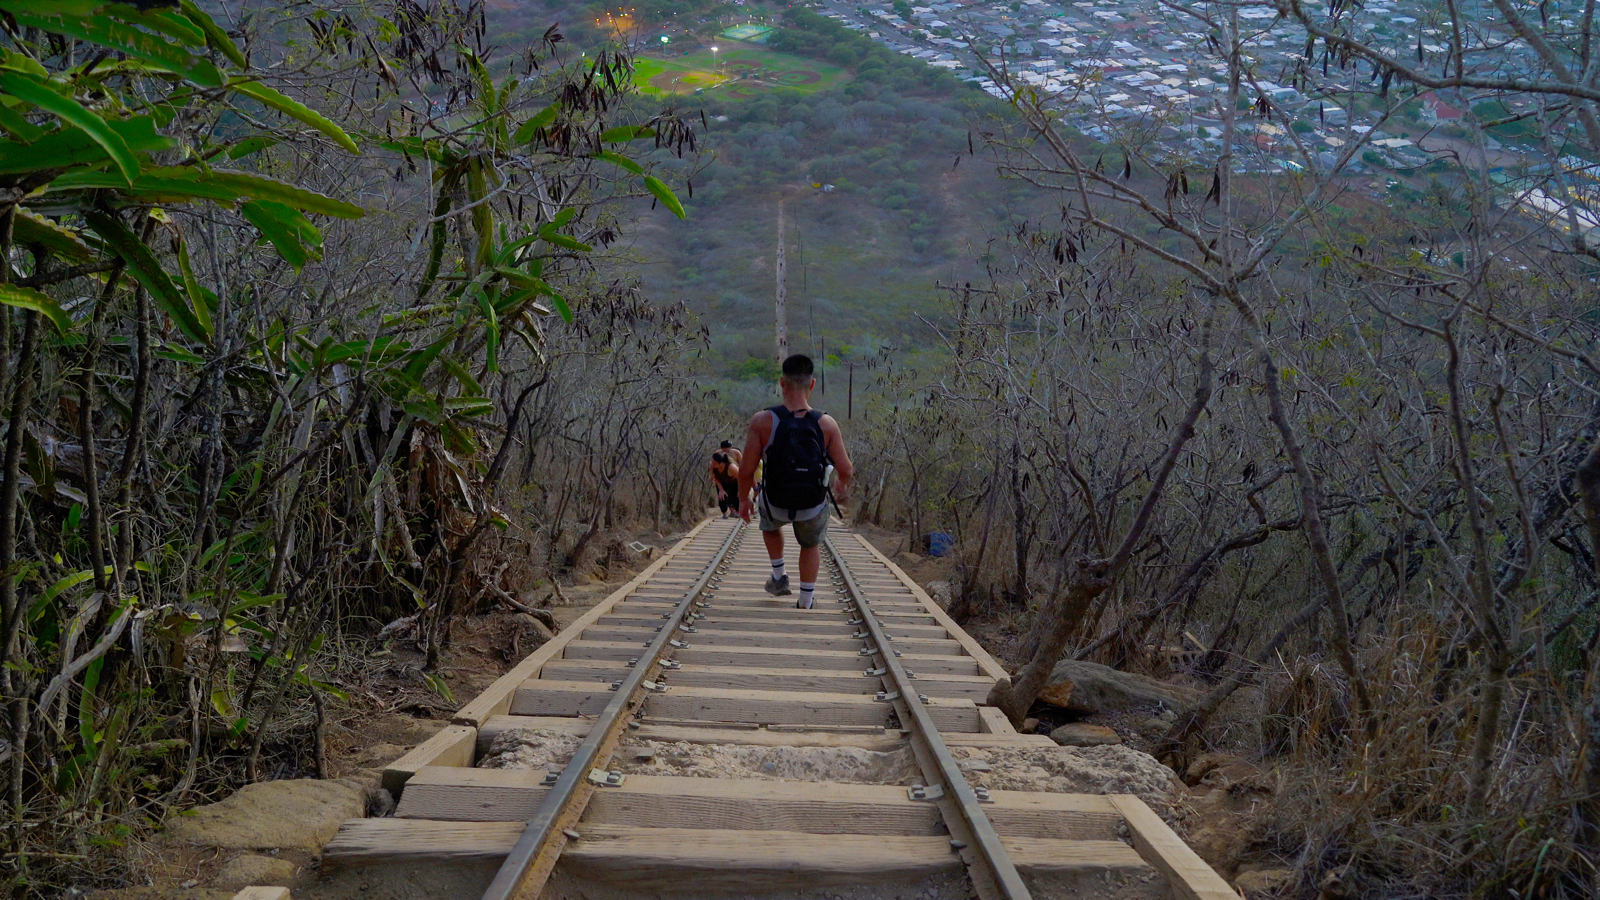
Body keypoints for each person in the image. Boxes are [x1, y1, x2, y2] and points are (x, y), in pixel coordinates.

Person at [737, 354, 854, 609]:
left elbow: (745, 471)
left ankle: (779, 577)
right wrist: (840, 486)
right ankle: (806, 600)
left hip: (774, 502)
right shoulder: (826, 423)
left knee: (769, 525)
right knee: (810, 543)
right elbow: (846, 469)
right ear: (811, 385)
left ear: (782, 383)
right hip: (812, 504)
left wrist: (743, 499)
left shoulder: (762, 421)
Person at [708, 451, 741, 518]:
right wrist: (721, 489)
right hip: (721, 482)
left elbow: (740, 478)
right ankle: (724, 513)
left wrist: (740, 490)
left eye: (715, 463)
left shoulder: (732, 467)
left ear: (721, 463)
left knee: (735, 497)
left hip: (734, 482)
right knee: (722, 496)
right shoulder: (712, 466)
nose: (712, 464)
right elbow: (714, 477)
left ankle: (738, 511)